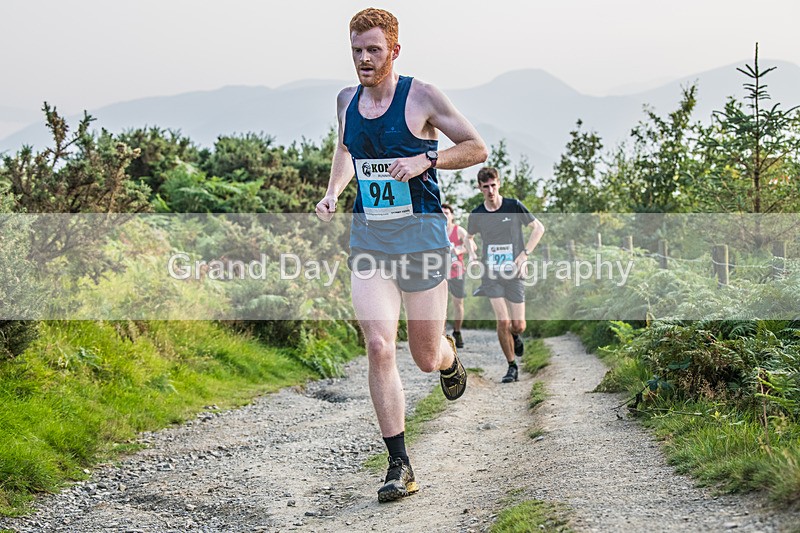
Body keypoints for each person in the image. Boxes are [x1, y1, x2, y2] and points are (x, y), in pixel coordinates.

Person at [315, 8, 487, 502]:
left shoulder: (423, 96)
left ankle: (450, 358)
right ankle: (399, 464)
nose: (363, 60)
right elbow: (346, 151)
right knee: (378, 345)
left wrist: (426, 159)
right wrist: (333, 192)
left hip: (424, 239)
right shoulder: (347, 99)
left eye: (372, 50)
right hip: (370, 239)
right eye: (355, 51)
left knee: (424, 355)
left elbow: (477, 148)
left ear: (394, 49)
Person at [467, 167, 545, 383]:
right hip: (491, 273)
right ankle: (511, 366)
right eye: (485, 187)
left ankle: (516, 335)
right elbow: (469, 238)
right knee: (503, 320)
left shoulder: (513, 206)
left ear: (498, 183)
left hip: (515, 271)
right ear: (479, 188)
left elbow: (538, 228)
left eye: (493, 185)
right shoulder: (477, 214)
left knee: (518, 324)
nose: (490, 191)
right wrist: (473, 256)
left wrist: (524, 255)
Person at [441, 203, 473, 348]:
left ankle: (457, 331)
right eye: (441, 213)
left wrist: (460, 249)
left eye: (447, 212)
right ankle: (441, 336)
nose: (444, 215)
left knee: (458, 303)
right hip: (440, 272)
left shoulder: (458, 230)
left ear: (452, 215)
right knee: (440, 305)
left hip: (457, 272)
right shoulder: (436, 230)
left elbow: (472, 245)